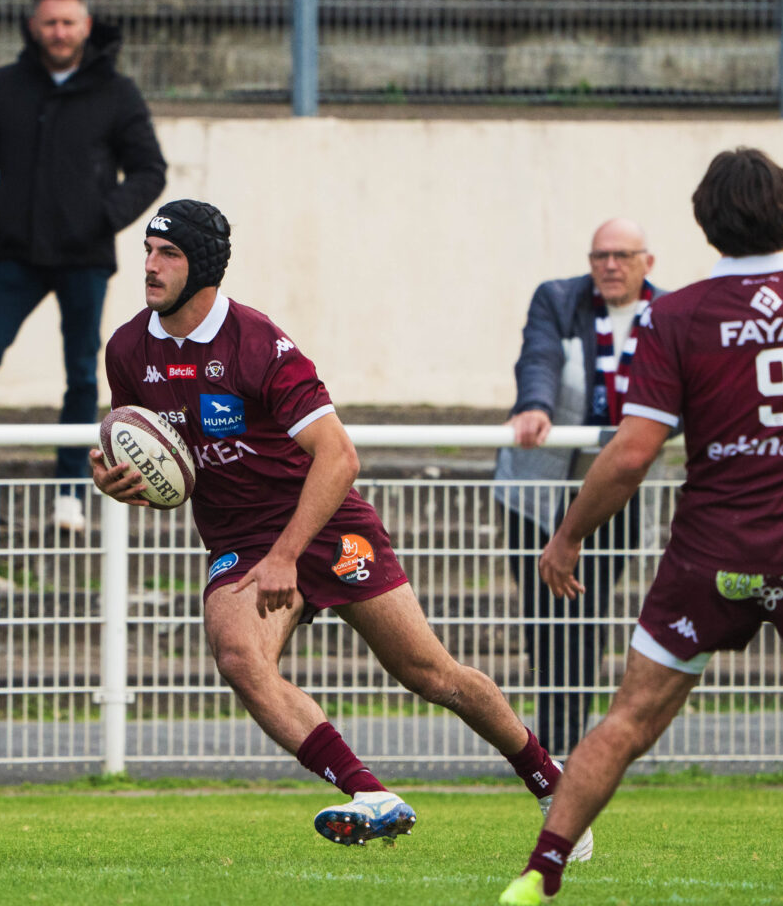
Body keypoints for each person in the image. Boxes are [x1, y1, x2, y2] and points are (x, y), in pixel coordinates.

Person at [92, 198, 580, 851]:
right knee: (240, 657)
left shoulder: (259, 346)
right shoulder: (127, 350)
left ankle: (551, 782)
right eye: (147, 251)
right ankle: (369, 793)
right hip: (240, 538)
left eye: (167, 254)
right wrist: (118, 480)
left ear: (203, 266)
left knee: (430, 674)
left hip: (321, 520)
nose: (149, 267)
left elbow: (340, 456)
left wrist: (289, 554)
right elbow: (153, 456)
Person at [498, 148, 783, 906]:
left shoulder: (676, 314)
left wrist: (567, 535)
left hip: (711, 552)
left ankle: (538, 875)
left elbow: (631, 456)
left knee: (627, 721)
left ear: (703, 221)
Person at [0, 0, 168, 532]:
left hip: (85, 258)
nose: (59, 32)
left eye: (69, 22)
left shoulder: (117, 92)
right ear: (33, 27)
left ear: (86, 27)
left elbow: (149, 169)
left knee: (81, 376)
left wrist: (101, 215)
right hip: (16, 257)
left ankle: (69, 493)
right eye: (50, 22)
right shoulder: (2, 87)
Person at [494, 219, 664, 753]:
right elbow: (539, 357)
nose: (609, 265)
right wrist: (535, 406)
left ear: (646, 262)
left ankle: (571, 740)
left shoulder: (669, 313)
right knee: (542, 614)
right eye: (600, 256)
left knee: (587, 610)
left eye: (621, 255)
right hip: (537, 489)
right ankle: (549, 742)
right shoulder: (558, 299)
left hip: (616, 485)